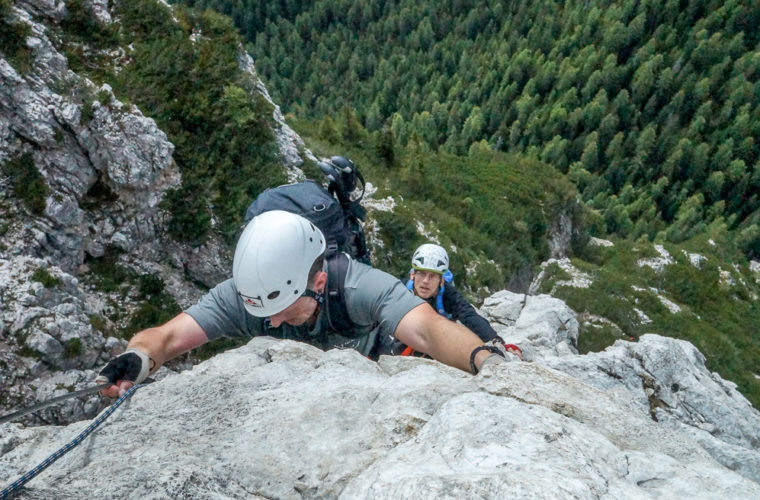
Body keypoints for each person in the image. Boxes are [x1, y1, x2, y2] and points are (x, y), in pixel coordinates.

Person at [97, 211, 509, 397]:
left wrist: (484, 359)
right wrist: (139, 358)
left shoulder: (361, 288)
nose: (271, 322)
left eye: (281, 308)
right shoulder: (245, 295)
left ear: (319, 281)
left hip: (369, 373)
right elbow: (167, 337)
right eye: (259, 310)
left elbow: (429, 329)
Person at [389, 243, 523, 360]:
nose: (425, 281)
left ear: (441, 280)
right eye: (422, 274)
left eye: (432, 276)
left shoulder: (447, 294)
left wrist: (495, 340)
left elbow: (468, 315)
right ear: (413, 274)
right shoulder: (399, 291)